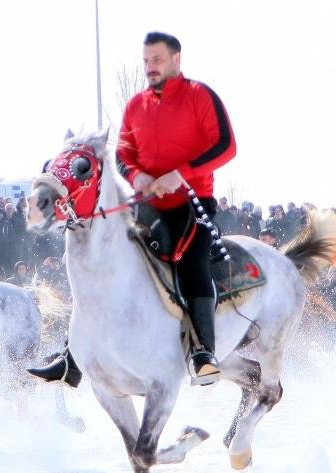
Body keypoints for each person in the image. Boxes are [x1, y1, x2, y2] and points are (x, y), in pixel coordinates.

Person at [32, 31, 237, 387]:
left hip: (191, 204)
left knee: (191, 265)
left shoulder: (200, 96)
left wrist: (181, 174)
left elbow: (226, 146)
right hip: (145, 205)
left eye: (157, 60)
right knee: (99, 267)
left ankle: (203, 351)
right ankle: (72, 356)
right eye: (146, 61)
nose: (150, 67)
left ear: (176, 59)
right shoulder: (136, 105)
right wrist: (138, 175)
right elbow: (124, 155)